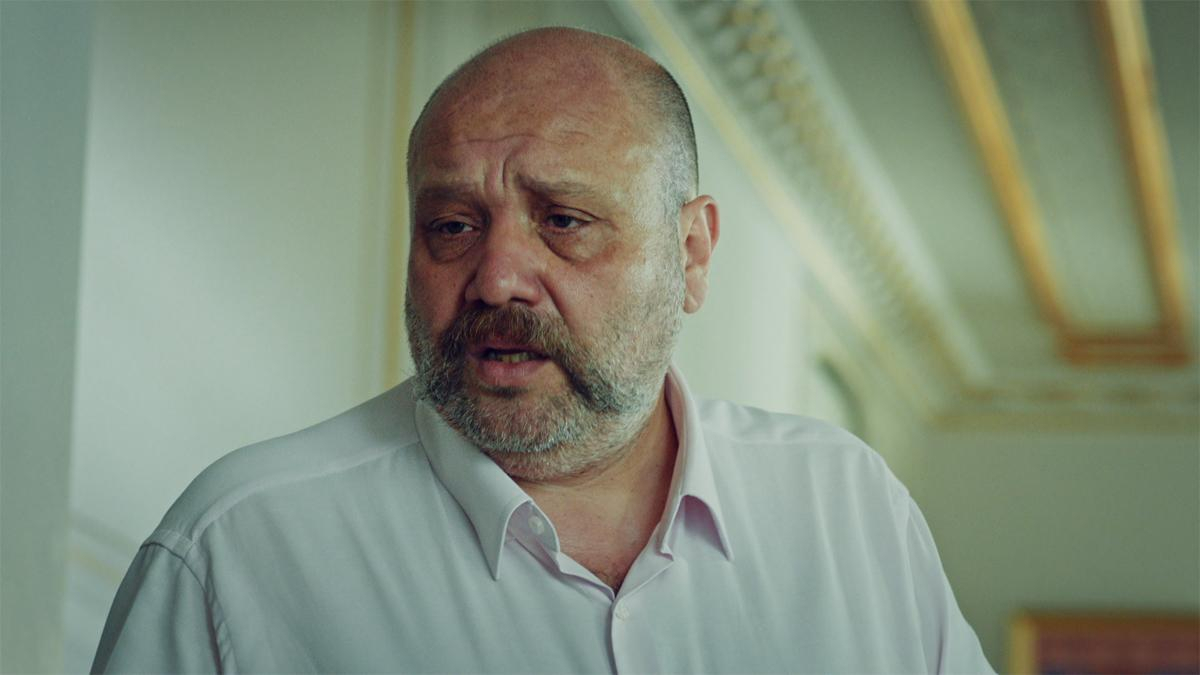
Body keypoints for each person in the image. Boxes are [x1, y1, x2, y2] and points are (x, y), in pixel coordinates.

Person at [93, 27, 993, 673]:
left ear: (690, 254)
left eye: (563, 221)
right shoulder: (237, 553)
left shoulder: (850, 511)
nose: (496, 280)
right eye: (452, 225)